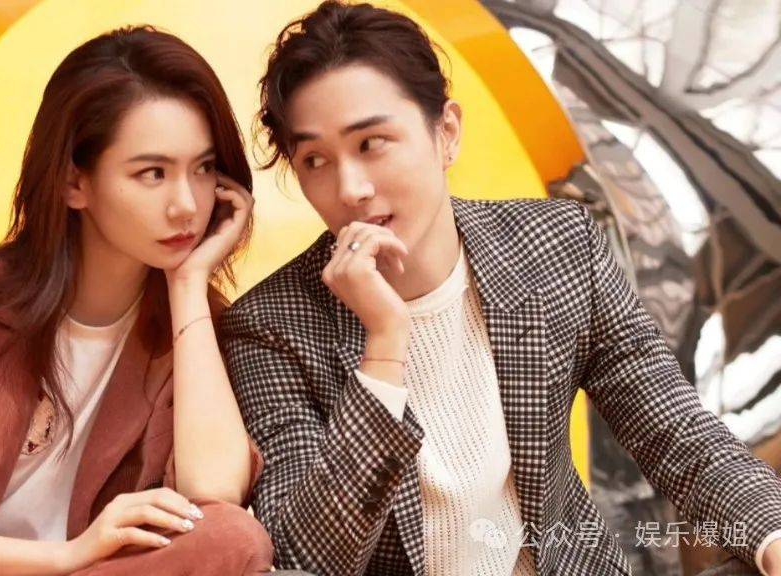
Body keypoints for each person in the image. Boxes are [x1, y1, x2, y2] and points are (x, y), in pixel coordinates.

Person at [219, 2, 781, 575]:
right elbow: (309, 559)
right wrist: (384, 346)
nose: (350, 188)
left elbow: (674, 429)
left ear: (446, 133)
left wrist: (771, 534)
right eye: (315, 159)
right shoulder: (269, 327)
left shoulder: (556, 246)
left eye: (371, 143)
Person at [0, 26, 272, 576]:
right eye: (152, 173)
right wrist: (68, 556)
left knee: (231, 538)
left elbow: (216, 497)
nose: (187, 204)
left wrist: (187, 287)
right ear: (72, 183)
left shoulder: (200, 326)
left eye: (203, 169)